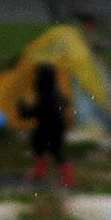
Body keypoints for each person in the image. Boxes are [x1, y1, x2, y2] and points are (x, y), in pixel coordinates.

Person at [20, 59, 74, 187]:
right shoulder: (55, 92)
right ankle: (67, 177)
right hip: (57, 127)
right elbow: (65, 103)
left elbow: (34, 112)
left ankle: (41, 172)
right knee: (55, 151)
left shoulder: (44, 94)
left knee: (40, 147)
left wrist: (22, 109)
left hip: (46, 128)